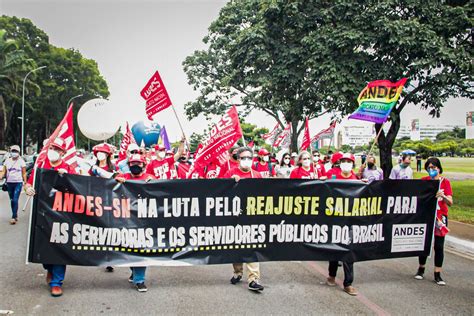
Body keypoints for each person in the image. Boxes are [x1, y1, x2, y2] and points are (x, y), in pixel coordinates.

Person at [24, 137, 76, 297]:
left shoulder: (68, 168)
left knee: (60, 247)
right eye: (52, 148)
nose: (54, 151)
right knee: (43, 246)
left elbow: (78, 187)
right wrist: (28, 189)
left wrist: (67, 177)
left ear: (62, 153)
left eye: (57, 149)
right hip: (42, 214)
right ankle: (49, 268)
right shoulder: (41, 167)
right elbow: (29, 184)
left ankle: (56, 282)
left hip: (62, 214)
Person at [223, 147, 264, 292]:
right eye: (243, 157)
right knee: (236, 246)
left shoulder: (257, 175)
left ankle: (253, 278)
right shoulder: (230, 173)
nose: (246, 160)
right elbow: (221, 192)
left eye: (249, 157)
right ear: (238, 159)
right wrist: (231, 182)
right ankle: (238, 272)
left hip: (252, 216)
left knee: (251, 246)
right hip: (235, 216)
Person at [115, 154, 156, 292]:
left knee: (140, 249)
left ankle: (140, 280)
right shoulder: (124, 177)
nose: (135, 166)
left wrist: (155, 182)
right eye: (132, 164)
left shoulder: (149, 178)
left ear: (144, 165)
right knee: (128, 250)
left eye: (138, 164)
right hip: (126, 220)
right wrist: (115, 181)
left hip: (143, 222)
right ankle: (134, 269)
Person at [414, 157, 453, 286]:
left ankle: (437, 273)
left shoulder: (445, 182)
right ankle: (421, 268)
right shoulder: (424, 181)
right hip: (426, 215)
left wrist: (443, 196)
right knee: (424, 243)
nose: (432, 170)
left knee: (439, 246)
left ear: (439, 168)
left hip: (440, 217)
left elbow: (450, 202)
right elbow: (418, 197)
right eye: (429, 168)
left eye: (434, 167)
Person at [326, 152, 359, 296]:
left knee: (348, 253)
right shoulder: (332, 174)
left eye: (349, 161)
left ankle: (348, 283)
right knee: (334, 250)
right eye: (343, 161)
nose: (346, 163)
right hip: (334, 219)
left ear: (353, 164)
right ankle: (332, 275)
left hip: (350, 221)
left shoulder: (356, 178)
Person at [89, 143, 117, 272]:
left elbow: (118, 179)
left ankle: (109, 258)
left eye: (103, 152)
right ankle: (100, 255)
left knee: (110, 229)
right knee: (98, 229)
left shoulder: (113, 168)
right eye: (98, 152)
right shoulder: (92, 168)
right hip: (96, 200)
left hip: (110, 201)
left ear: (107, 155)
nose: (100, 155)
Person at [0, 145, 27, 224]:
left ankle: (14, 217)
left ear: (18, 152)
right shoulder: (7, 161)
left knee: (15, 199)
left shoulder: (21, 161)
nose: (14, 153)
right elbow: (3, 171)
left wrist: (25, 183)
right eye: (13, 151)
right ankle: (15, 214)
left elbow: (24, 173)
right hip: (9, 183)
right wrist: (1, 176)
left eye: (16, 151)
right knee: (12, 200)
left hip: (18, 183)